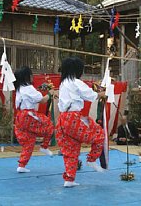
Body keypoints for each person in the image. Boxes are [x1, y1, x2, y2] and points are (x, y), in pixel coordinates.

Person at [56, 57, 105, 188]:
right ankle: (92, 159)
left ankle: (69, 179)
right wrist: (103, 93)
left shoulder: (63, 83)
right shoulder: (76, 82)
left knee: (71, 149)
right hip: (73, 118)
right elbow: (91, 95)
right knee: (98, 134)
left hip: (63, 120)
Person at [14, 66, 54, 173]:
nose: (32, 76)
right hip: (28, 115)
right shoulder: (28, 88)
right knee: (49, 125)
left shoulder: (19, 89)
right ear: (27, 77)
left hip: (20, 116)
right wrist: (50, 94)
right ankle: (44, 146)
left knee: (29, 141)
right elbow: (42, 100)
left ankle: (21, 165)